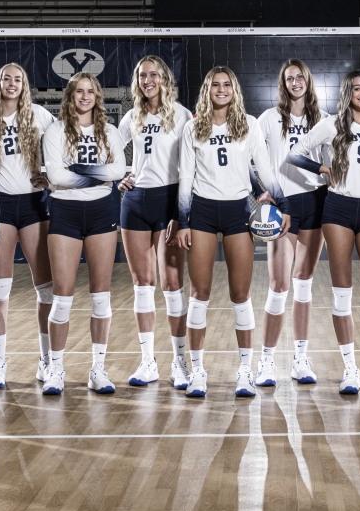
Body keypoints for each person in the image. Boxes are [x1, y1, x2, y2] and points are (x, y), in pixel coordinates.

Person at [177, 67, 289, 398]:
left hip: (238, 212)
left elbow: (265, 171)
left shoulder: (249, 125)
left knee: (240, 295)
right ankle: (197, 371)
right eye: (215, 85)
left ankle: (245, 371)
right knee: (199, 294)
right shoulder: (192, 127)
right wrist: (182, 221)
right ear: (207, 90)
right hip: (201, 212)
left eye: (227, 85)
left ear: (234, 90)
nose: (221, 90)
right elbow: (185, 177)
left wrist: (284, 205)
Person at [288, 70, 360, 396]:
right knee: (342, 293)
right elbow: (295, 152)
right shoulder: (333, 124)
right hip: (336, 211)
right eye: (356, 88)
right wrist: (322, 168)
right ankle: (350, 369)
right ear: (347, 92)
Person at [42, 72, 127, 396]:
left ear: (97, 96)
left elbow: (119, 170)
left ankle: (98, 369)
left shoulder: (110, 131)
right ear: (70, 96)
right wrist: (98, 174)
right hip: (64, 211)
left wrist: (76, 170)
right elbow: (54, 176)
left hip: (101, 211)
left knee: (100, 296)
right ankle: (55, 368)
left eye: (90, 91)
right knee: (62, 297)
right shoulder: (56, 131)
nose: (85, 96)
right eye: (79, 91)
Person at [117, 56, 194, 388]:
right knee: (142, 285)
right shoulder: (131, 117)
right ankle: (148, 362)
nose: (148, 80)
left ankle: (180, 363)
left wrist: (182, 212)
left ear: (165, 78)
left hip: (168, 200)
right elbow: (110, 153)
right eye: (142, 75)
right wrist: (118, 176)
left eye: (154, 75)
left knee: (173, 284)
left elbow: (190, 165)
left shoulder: (181, 114)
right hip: (135, 201)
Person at [0, 63, 56, 389]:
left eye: (18, 79)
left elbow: (65, 141)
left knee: (47, 289)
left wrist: (53, 173)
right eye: (7, 79)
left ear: (25, 85)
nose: (12, 84)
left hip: (35, 204)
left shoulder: (39, 115)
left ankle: (48, 361)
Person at [254, 59, 330, 386]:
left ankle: (300, 359)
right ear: (283, 83)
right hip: (282, 206)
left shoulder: (324, 120)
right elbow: (250, 155)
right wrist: (261, 191)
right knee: (278, 286)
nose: (295, 82)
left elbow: (331, 165)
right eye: (289, 78)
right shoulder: (269, 119)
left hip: (316, 204)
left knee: (303, 284)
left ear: (308, 81)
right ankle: (266, 362)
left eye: (300, 77)